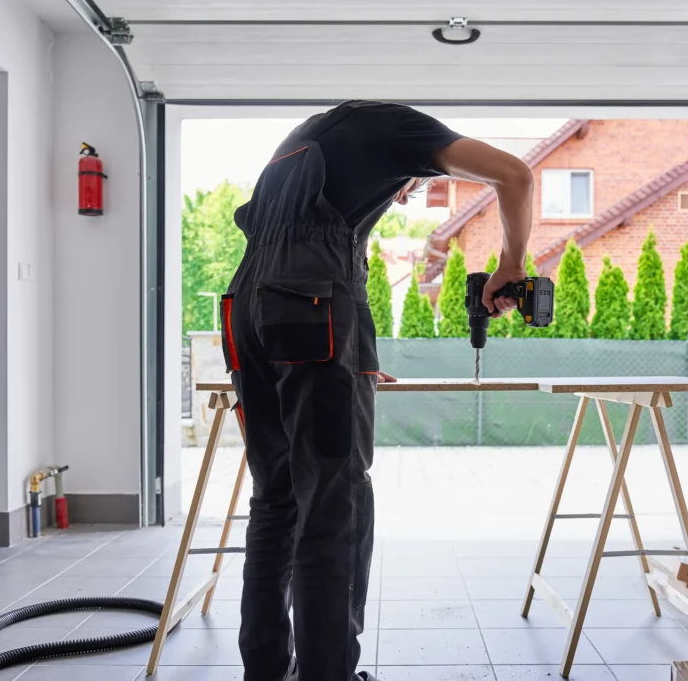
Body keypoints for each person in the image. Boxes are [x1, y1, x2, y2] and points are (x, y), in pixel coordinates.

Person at [221, 101, 534, 681]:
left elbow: (290, 265)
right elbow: (515, 175)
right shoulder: (404, 127)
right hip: (312, 307)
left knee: (275, 500)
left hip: (246, 309)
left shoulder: (310, 136)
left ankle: (265, 672)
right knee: (332, 506)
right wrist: (511, 263)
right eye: (419, 177)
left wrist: (350, 362)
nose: (411, 191)